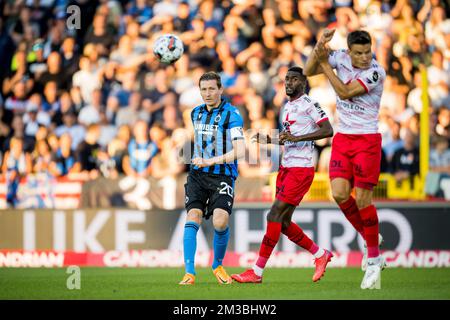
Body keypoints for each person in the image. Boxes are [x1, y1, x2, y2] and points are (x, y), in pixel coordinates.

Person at [231, 66, 334, 284]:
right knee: (284, 222)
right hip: (286, 168)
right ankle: (320, 254)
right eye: (286, 79)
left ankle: (256, 272)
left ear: (303, 83)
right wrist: (269, 140)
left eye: (294, 79)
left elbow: (327, 131)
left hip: (301, 169)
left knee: (273, 215)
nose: (288, 82)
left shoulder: (310, 104)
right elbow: (289, 136)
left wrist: (296, 139)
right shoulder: (287, 107)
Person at [304, 29, 386, 289]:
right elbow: (308, 70)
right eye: (359, 53)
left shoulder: (375, 72)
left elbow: (344, 92)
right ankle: (368, 236)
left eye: (367, 52)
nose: (364, 57)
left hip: (367, 140)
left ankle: (374, 260)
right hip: (343, 139)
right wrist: (319, 45)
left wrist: (327, 65)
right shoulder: (339, 57)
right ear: (349, 51)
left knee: (363, 199)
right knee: (339, 194)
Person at [179, 71, 245, 285]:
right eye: (204, 89)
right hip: (198, 175)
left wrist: (211, 160)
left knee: (220, 221)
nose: (207, 93)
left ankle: (217, 264)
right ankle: (189, 272)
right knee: (193, 217)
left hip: (222, 176)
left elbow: (240, 150)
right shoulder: (195, 113)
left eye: (211, 89)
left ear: (220, 90)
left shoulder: (232, 114)